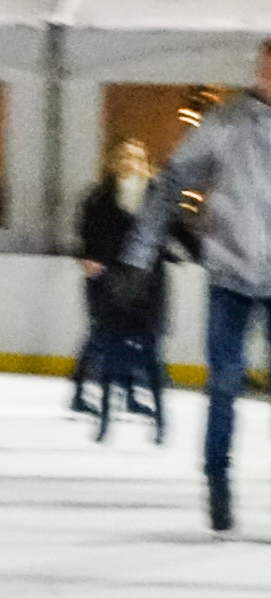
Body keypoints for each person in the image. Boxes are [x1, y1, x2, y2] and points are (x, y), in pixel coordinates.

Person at [122, 38, 271, 534]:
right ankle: (217, 483)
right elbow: (172, 179)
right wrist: (137, 254)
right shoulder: (226, 122)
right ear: (258, 74)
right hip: (231, 276)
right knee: (222, 387)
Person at [74, 140, 177, 439]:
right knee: (111, 353)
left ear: (145, 161)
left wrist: (199, 251)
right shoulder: (99, 197)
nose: (130, 161)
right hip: (112, 284)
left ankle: (160, 422)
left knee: (152, 354)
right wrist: (88, 258)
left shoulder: (157, 195)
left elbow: (174, 229)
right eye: (124, 156)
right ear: (113, 161)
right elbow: (87, 234)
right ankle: (106, 420)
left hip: (149, 285)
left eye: (136, 156)